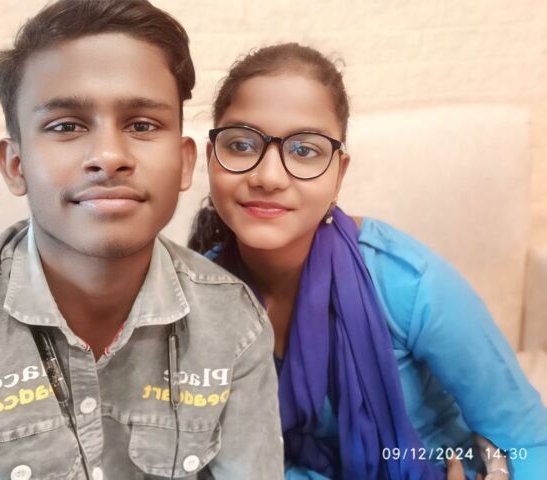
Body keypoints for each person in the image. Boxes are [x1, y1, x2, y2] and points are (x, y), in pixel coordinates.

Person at [0, 1, 284, 479]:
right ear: (16, 165)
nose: (108, 156)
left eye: (142, 125)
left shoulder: (233, 323)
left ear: (186, 163)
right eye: (66, 126)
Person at [188, 43, 547, 479]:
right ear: (212, 158)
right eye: (242, 144)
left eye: (304, 150)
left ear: (339, 173)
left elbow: (530, 441)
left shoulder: (407, 282)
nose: (268, 176)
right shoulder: (198, 299)